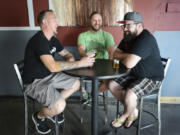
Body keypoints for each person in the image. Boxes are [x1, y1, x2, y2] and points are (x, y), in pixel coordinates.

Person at [22, 10, 95, 134]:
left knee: (76, 83)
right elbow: (52, 67)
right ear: (44, 22)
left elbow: (66, 54)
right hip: (34, 82)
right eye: (54, 19)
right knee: (60, 106)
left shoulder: (52, 40)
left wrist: (71, 59)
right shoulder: (38, 40)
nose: (58, 22)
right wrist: (79, 63)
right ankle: (39, 116)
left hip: (48, 76)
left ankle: (52, 108)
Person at [108, 11, 164, 128]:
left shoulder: (146, 38)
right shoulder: (128, 38)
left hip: (151, 77)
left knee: (129, 94)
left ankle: (124, 115)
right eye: (124, 25)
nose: (124, 29)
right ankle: (133, 111)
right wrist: (128, 56)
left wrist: (126, 56)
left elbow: (129, 63)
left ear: (139, 26)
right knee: (112, 84)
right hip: (135, 75)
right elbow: (114, 54)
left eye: (128, 25)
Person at [77, 11, 115, 105]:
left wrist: (110, 65)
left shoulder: (107, 36)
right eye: (94, 20)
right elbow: (81, 50)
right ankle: (84, 93)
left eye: (99, 20)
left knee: (111, 80)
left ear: (102, 22)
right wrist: (86, 56)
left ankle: (93, 95)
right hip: (88, 64)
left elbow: (111, 51)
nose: (97, 22)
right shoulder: (83, 36)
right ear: (90, 21)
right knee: (73, 75)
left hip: (104, 66)